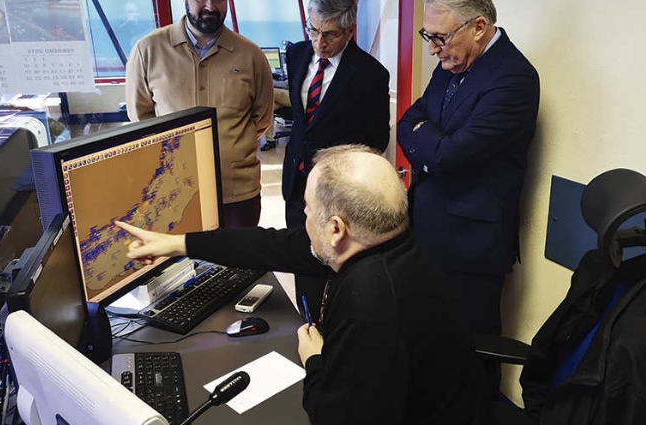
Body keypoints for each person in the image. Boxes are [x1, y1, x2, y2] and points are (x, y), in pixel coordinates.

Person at [116, 145, 491, 425]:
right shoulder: (387, 243)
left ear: (335, 228)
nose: (304, 217)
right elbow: (271, 245)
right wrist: (178, 244)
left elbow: (335, 417)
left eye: (309, 209)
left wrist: (315, 360)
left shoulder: (372, 305)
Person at [396, 0, 539, 396]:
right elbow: (408, 120)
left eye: (440, 37)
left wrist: (432, 150)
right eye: (429, 36)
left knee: (470, 361)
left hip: (470, 249)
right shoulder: (452, 63)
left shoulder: (513, 79)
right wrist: (433, 149)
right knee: (429, 350)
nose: (433, 48)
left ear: (478, 27)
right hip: (426, 228)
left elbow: (449, 157)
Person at [282, 0, 390, 321]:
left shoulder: (371, 74)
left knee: (334, 267)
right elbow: (303, 122)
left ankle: (334, 336)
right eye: (313, 30)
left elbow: (376, 141)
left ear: (349, 30)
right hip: (296, 181)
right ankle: (307, 325)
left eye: (329, 34)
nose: (319, 42)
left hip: (337, 192)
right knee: (300, 257)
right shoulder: (297, 54)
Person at [125, 0, 274, 229]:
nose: (210, 7)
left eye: (219, 0)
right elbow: (140, 118)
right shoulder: (148, 50)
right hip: (172, 192)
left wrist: (231, 150)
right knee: (180, 264)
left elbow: (262, 119)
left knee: (239, 262)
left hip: (236, 193)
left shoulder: (251, 55)